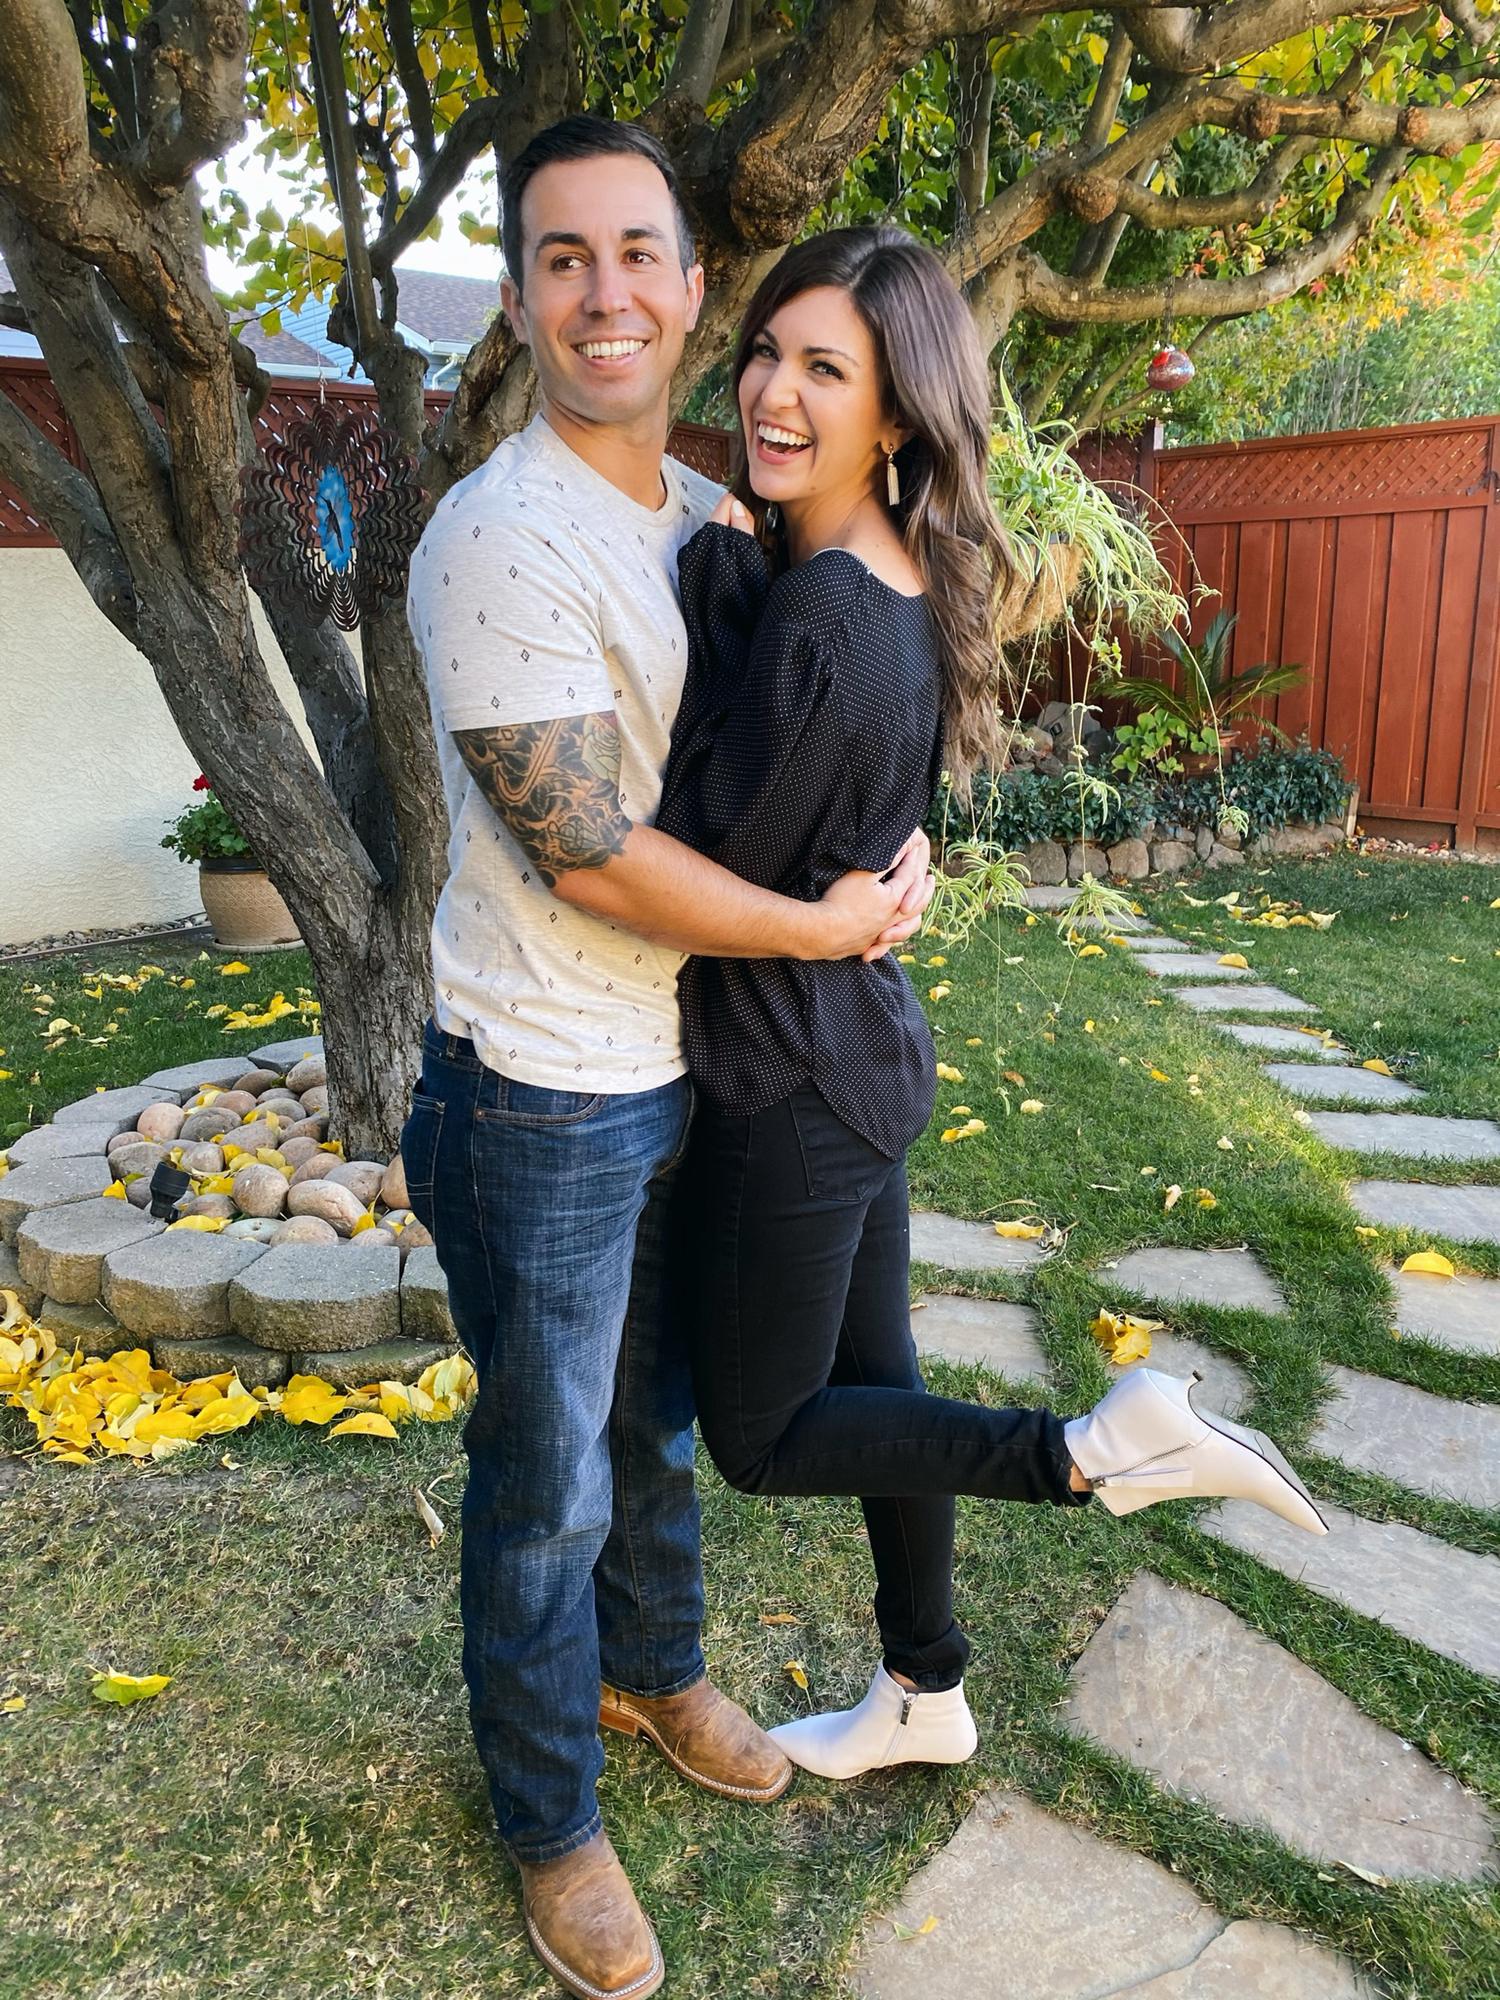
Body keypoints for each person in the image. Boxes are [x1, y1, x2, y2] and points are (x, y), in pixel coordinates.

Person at [656, 224, 1328, 1787]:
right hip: (862, 1059)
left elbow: (699, 855)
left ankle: (1090, 1451)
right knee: (880, 1389)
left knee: (766, 1433)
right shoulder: (893, 582)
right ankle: (925, 1689)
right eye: (764, 353)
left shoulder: (813, 610)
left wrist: (715, 592)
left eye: (826, 370)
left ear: (896, 414)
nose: (771, 392)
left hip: (790, 1082)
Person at [401, 122, 933, 2000]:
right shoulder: (497, 539)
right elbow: (594, 852)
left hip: (688, 1063)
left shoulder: (707, 513)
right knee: (548, 1474)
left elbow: (835, 694)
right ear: (518, 299)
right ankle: (552, 1817)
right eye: (563, 259)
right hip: (540, 1086)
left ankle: (658, 1670)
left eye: (639, 253)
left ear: (696, 290)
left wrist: (895, 850)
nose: (606, 293)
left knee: (657, 1424)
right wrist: (825, 929)